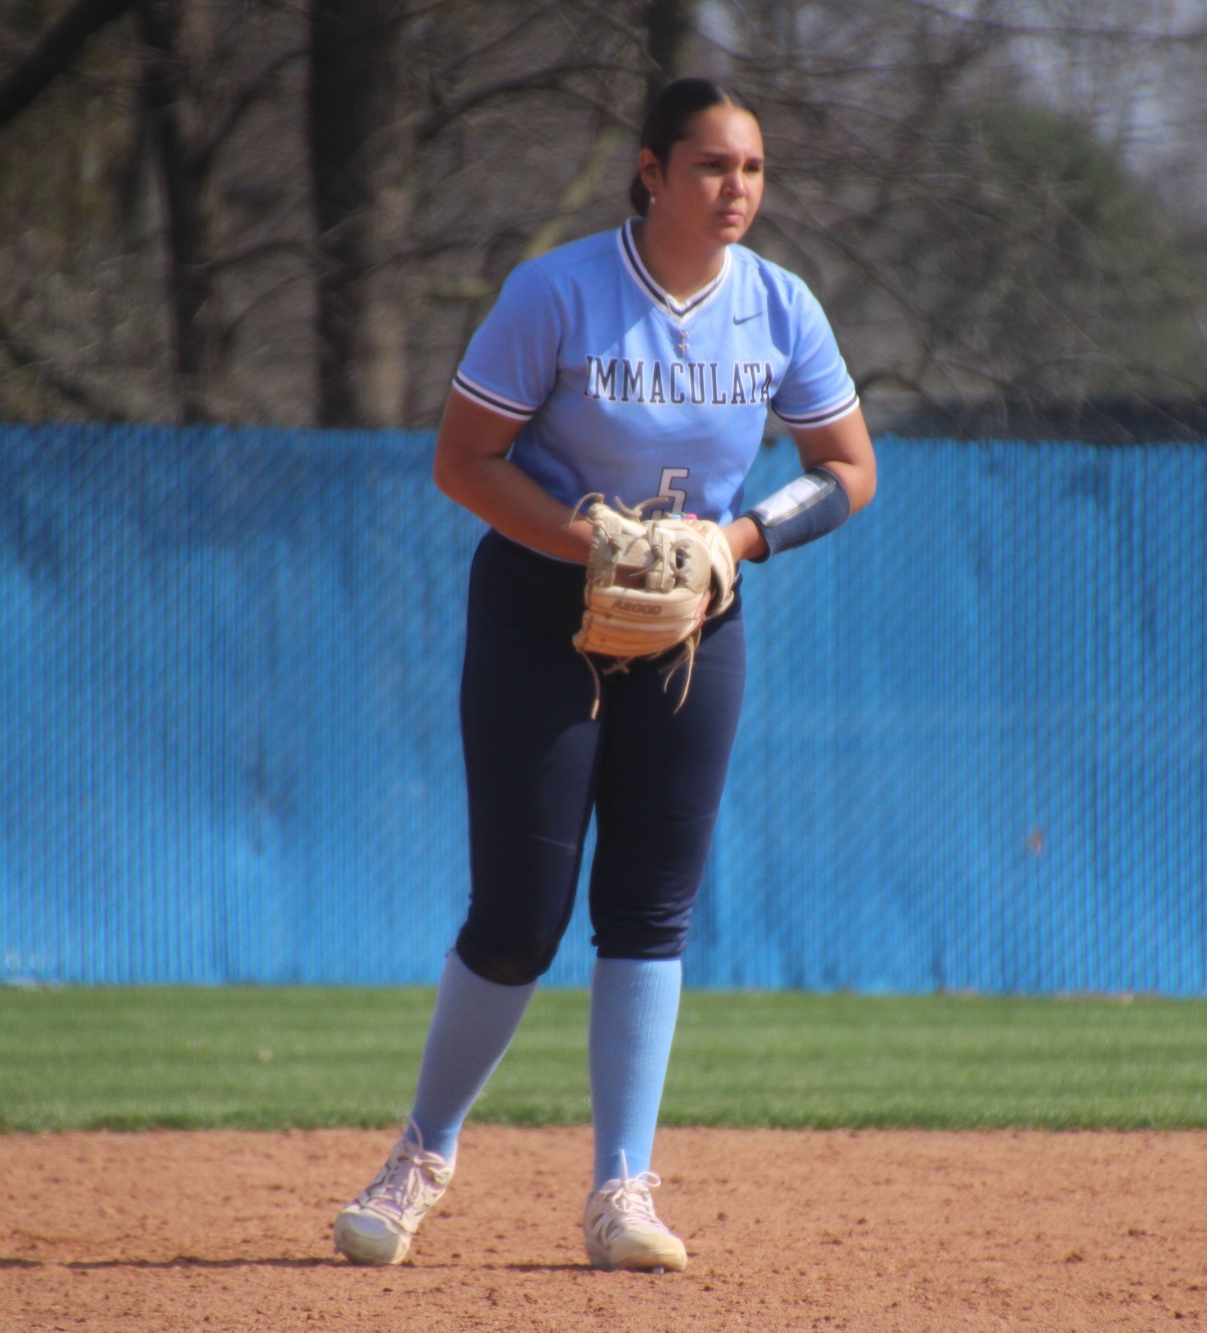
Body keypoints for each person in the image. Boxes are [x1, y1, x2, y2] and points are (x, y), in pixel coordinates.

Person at [332, 76, 876, 1275]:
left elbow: (845, 468)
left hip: (693, 627)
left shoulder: (778, 307)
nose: (734, 189)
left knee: (647, 912)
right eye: (708, 166)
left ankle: (619, 1189)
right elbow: (462, 462)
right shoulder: (559, 293)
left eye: (750, 169)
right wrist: (603, 544)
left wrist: (726, 546)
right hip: (542, 616)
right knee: (518, 920)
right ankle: (421, 1154)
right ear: (649, 170)